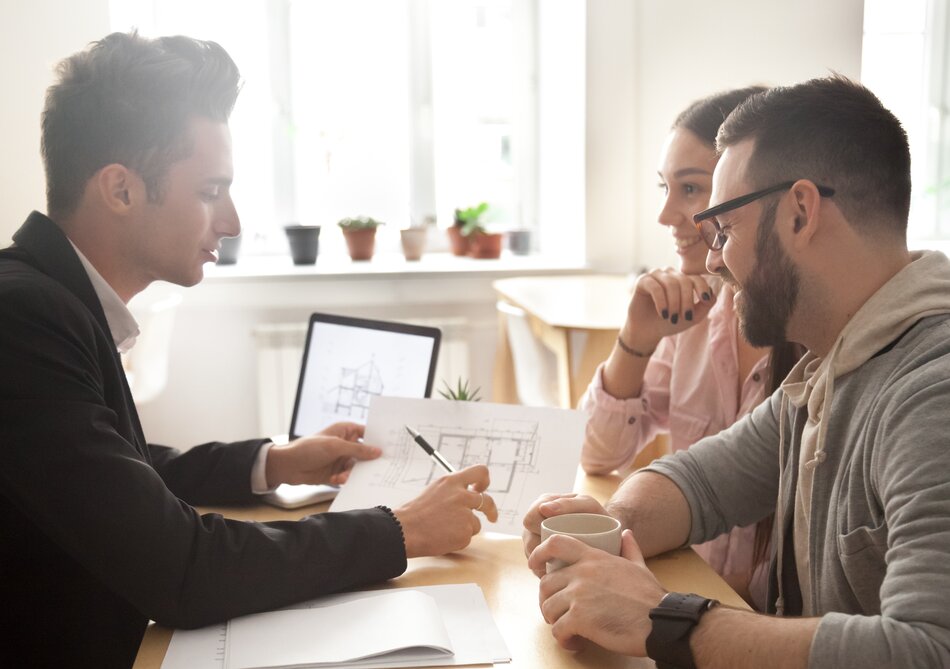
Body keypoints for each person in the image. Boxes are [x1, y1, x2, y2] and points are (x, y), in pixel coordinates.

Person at [0, 32, 497, 669]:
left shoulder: (49, 300)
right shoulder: (22, 318)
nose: (231, 222)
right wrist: (401, 530)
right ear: (120, 190)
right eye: (210, 192)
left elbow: (116, 473)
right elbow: (180, 566)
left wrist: (274, 463)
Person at [523, 75, 950, 667]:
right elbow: (696, 482)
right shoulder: (829, 369)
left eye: (725, 228)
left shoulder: (932, 393)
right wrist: (604, 529)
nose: (715, 259)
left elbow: (928, 650)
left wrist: (665, 621)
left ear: (800, 213)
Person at [579, 87, 802, 610]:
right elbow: (598, 452)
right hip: (691, 594)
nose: (665, 215)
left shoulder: (815, 334)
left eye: (691, 189)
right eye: (665, 187)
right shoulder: (696, 315)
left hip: (757, 627)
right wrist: (635, 340)